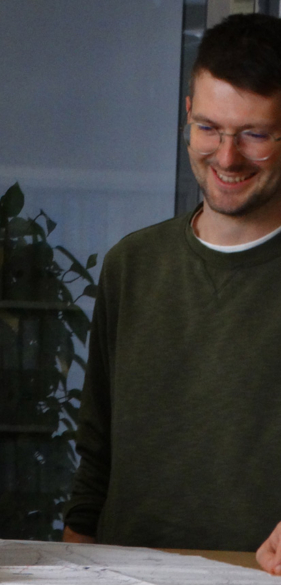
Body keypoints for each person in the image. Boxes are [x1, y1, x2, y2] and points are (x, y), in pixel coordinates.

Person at [63, 13, 281, 572]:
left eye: (254, 135)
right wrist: (75, 560)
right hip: (125, 572)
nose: (227, 156)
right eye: (209, 128)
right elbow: (96, 451)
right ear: (187, 115)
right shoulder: (131, 265)